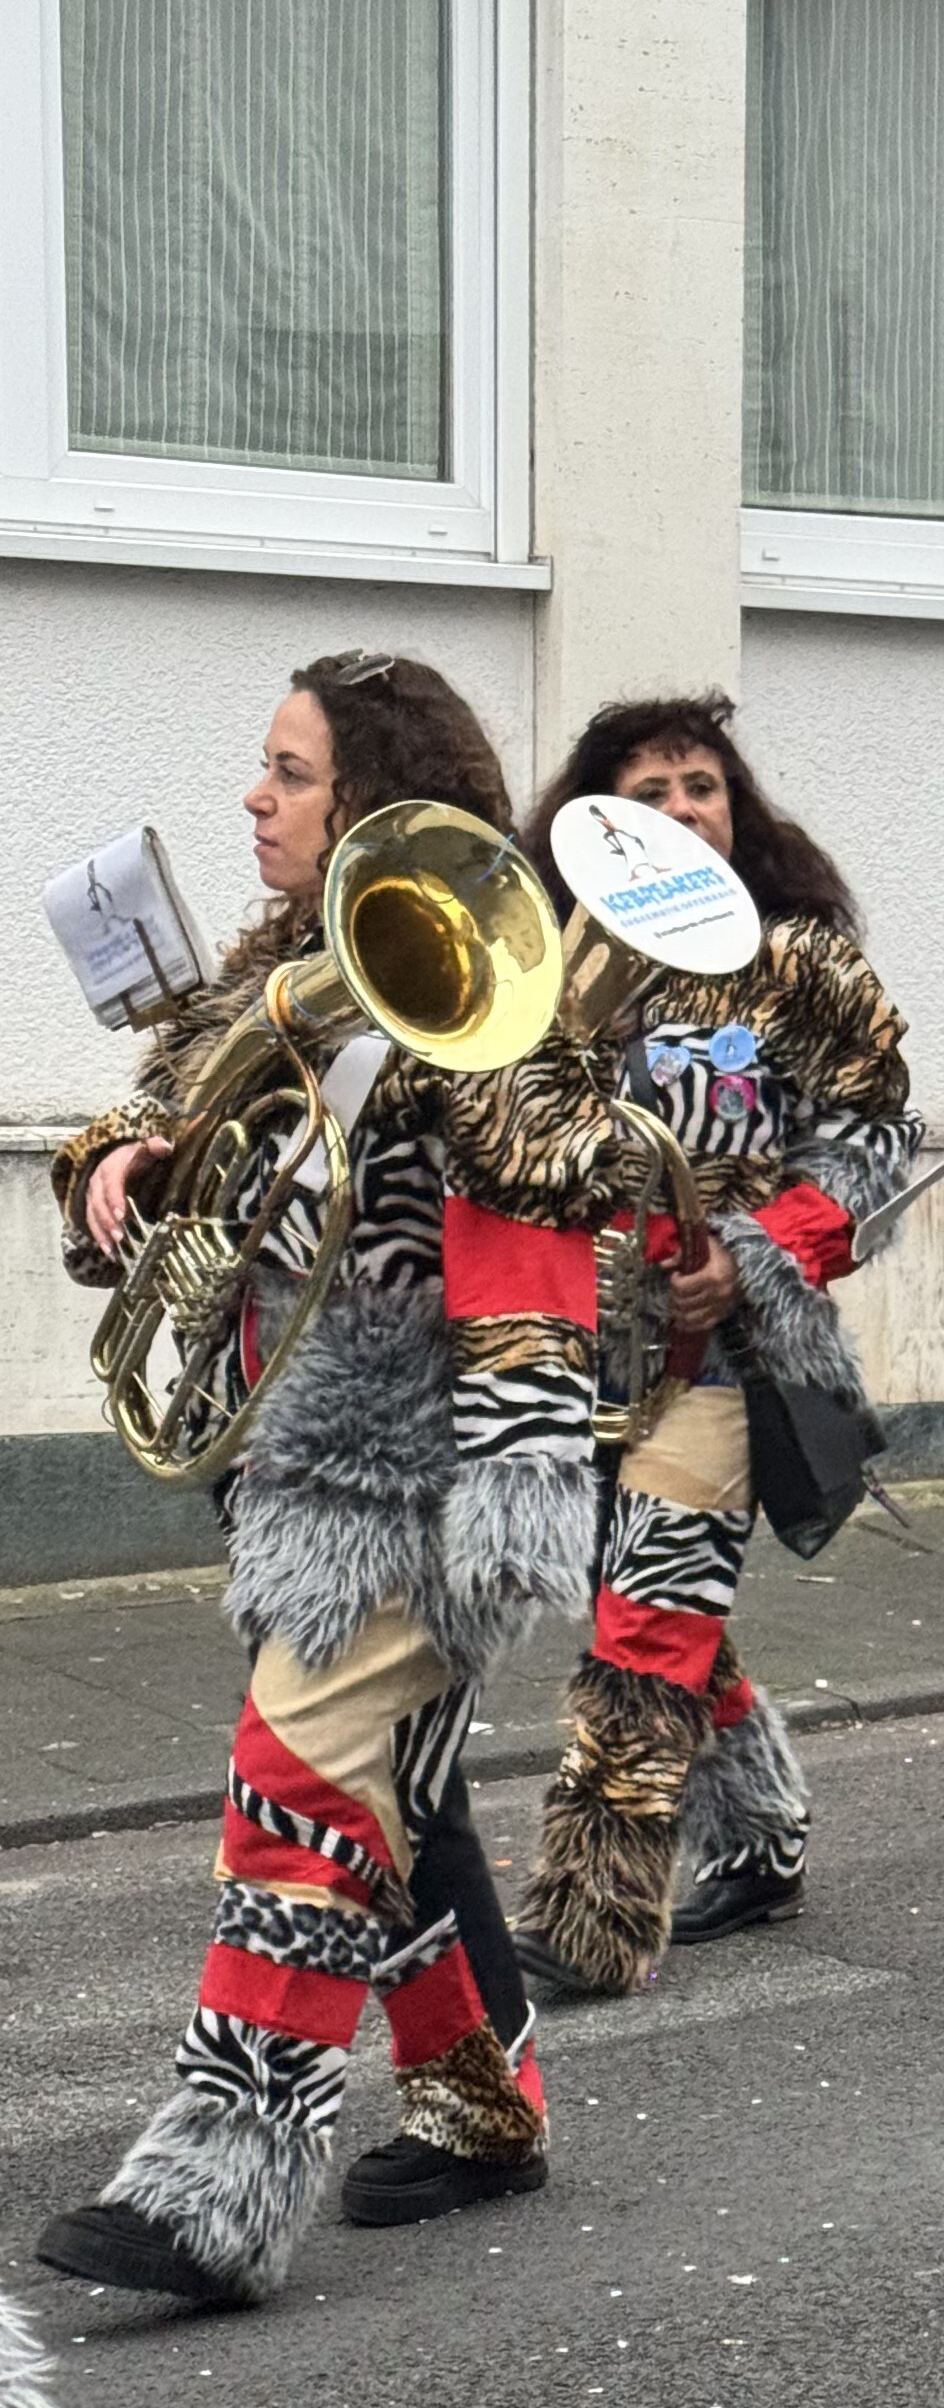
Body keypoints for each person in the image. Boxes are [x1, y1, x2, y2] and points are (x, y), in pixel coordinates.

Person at [36, 650, 624, 2311]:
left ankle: (220, 2178)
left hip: (407, 1474)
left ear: (370, 800)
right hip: (279, 1451)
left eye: (289, 771)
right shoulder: (273, 975)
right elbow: (159, 1139)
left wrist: (510, 1499)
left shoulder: (476, 990)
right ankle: (483, 2104)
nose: (255, 797)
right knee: (397, 1805)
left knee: (295, 1777)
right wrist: (120, 1170)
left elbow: (534, 1242)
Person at [507, 693, 918, 1998]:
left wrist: (754, 1251)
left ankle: (594, 1914)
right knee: (649, 1601)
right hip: (572, 1346)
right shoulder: (547, 963)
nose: (685, 810)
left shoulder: (800, 966)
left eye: (704, 786)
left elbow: (875, 1139)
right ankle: (763, 1830)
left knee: (648, 1620)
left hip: (726, 1356)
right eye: (653, 792)